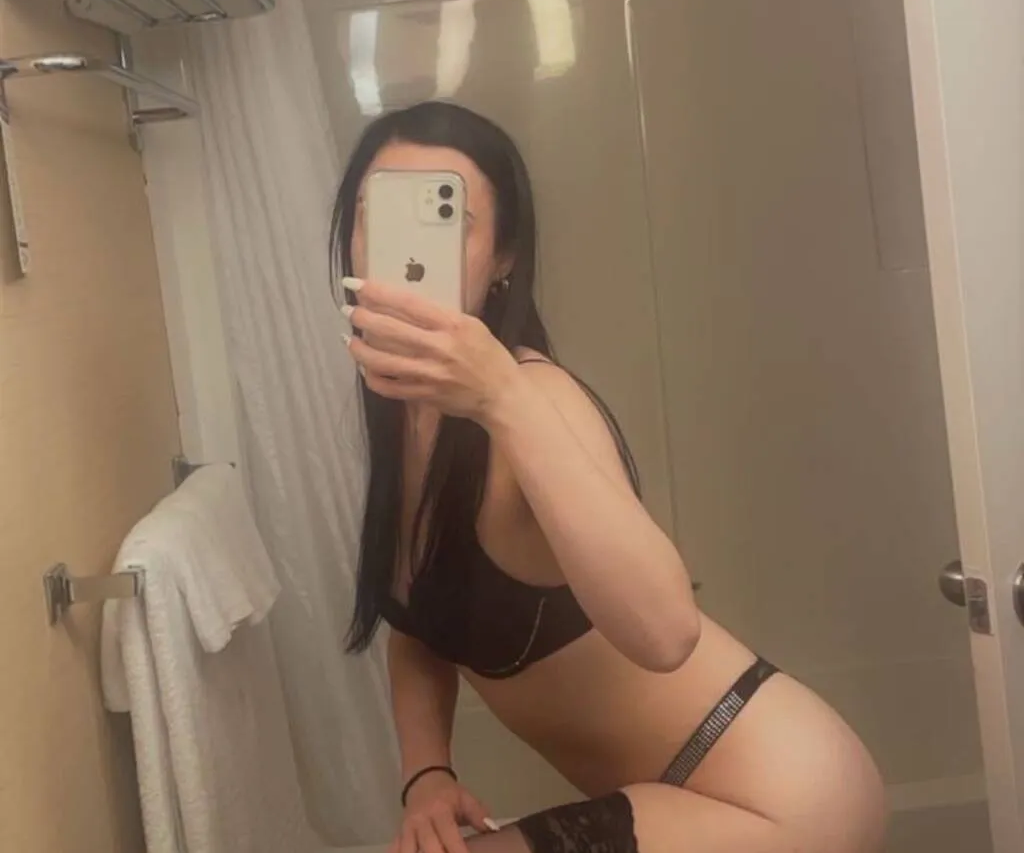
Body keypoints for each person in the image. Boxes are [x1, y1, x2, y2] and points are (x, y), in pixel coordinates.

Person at [330, 101, 885, 853]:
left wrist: (502, 397)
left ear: (503, 258)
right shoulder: (401, 407)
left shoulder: (536, 399)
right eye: (377, 215)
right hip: (672, 796)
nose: (404, 252)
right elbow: (421, 622)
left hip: (782, 798)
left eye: (445, 218)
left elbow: (666, 633)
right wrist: (426, 774)